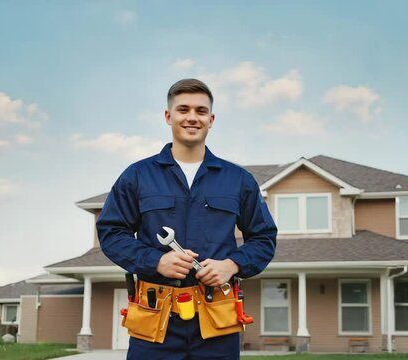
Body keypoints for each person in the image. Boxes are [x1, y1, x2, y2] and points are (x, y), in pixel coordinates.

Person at [96, 79, 277, 359]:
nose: (192, 117)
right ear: (168, 116)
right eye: (183, 109)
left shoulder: (238, 180)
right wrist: (155, 261)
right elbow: (111, 233)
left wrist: (232, 264)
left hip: (217, 320)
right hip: (155, 320)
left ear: (211, 119)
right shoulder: (137, 176)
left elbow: (264, 239)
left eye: (201, 111)